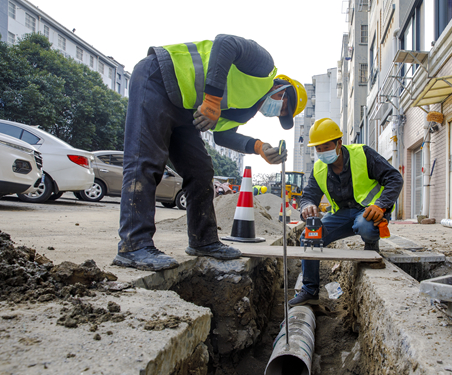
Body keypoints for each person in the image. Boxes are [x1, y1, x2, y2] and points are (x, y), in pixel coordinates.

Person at [113, 34, 307, 271]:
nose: (278, 111)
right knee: (146, 161)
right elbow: (225, 43)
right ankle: (134, 245)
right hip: (159, 77)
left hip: (185, 109)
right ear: (280, 87)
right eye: (283, 104)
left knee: (201, 171)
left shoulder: (243, 111)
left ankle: (203, 241)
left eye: (282, 114)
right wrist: (212, 99)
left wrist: (259, 148)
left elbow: (222, 135)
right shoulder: (263, 66)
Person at [289, 118, 403, 307]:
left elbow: (394, 178)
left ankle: (371, 247)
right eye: (318, 148)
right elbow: (309, 195)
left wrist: (381, 205)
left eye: (326, 146)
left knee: (365, 226)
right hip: (341, 214)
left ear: (339, 143)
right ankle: (310, 290)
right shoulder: (318, 169)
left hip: (369, 212)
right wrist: (307, 206)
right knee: (309, 236)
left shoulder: (363, 154)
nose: (322, 152)